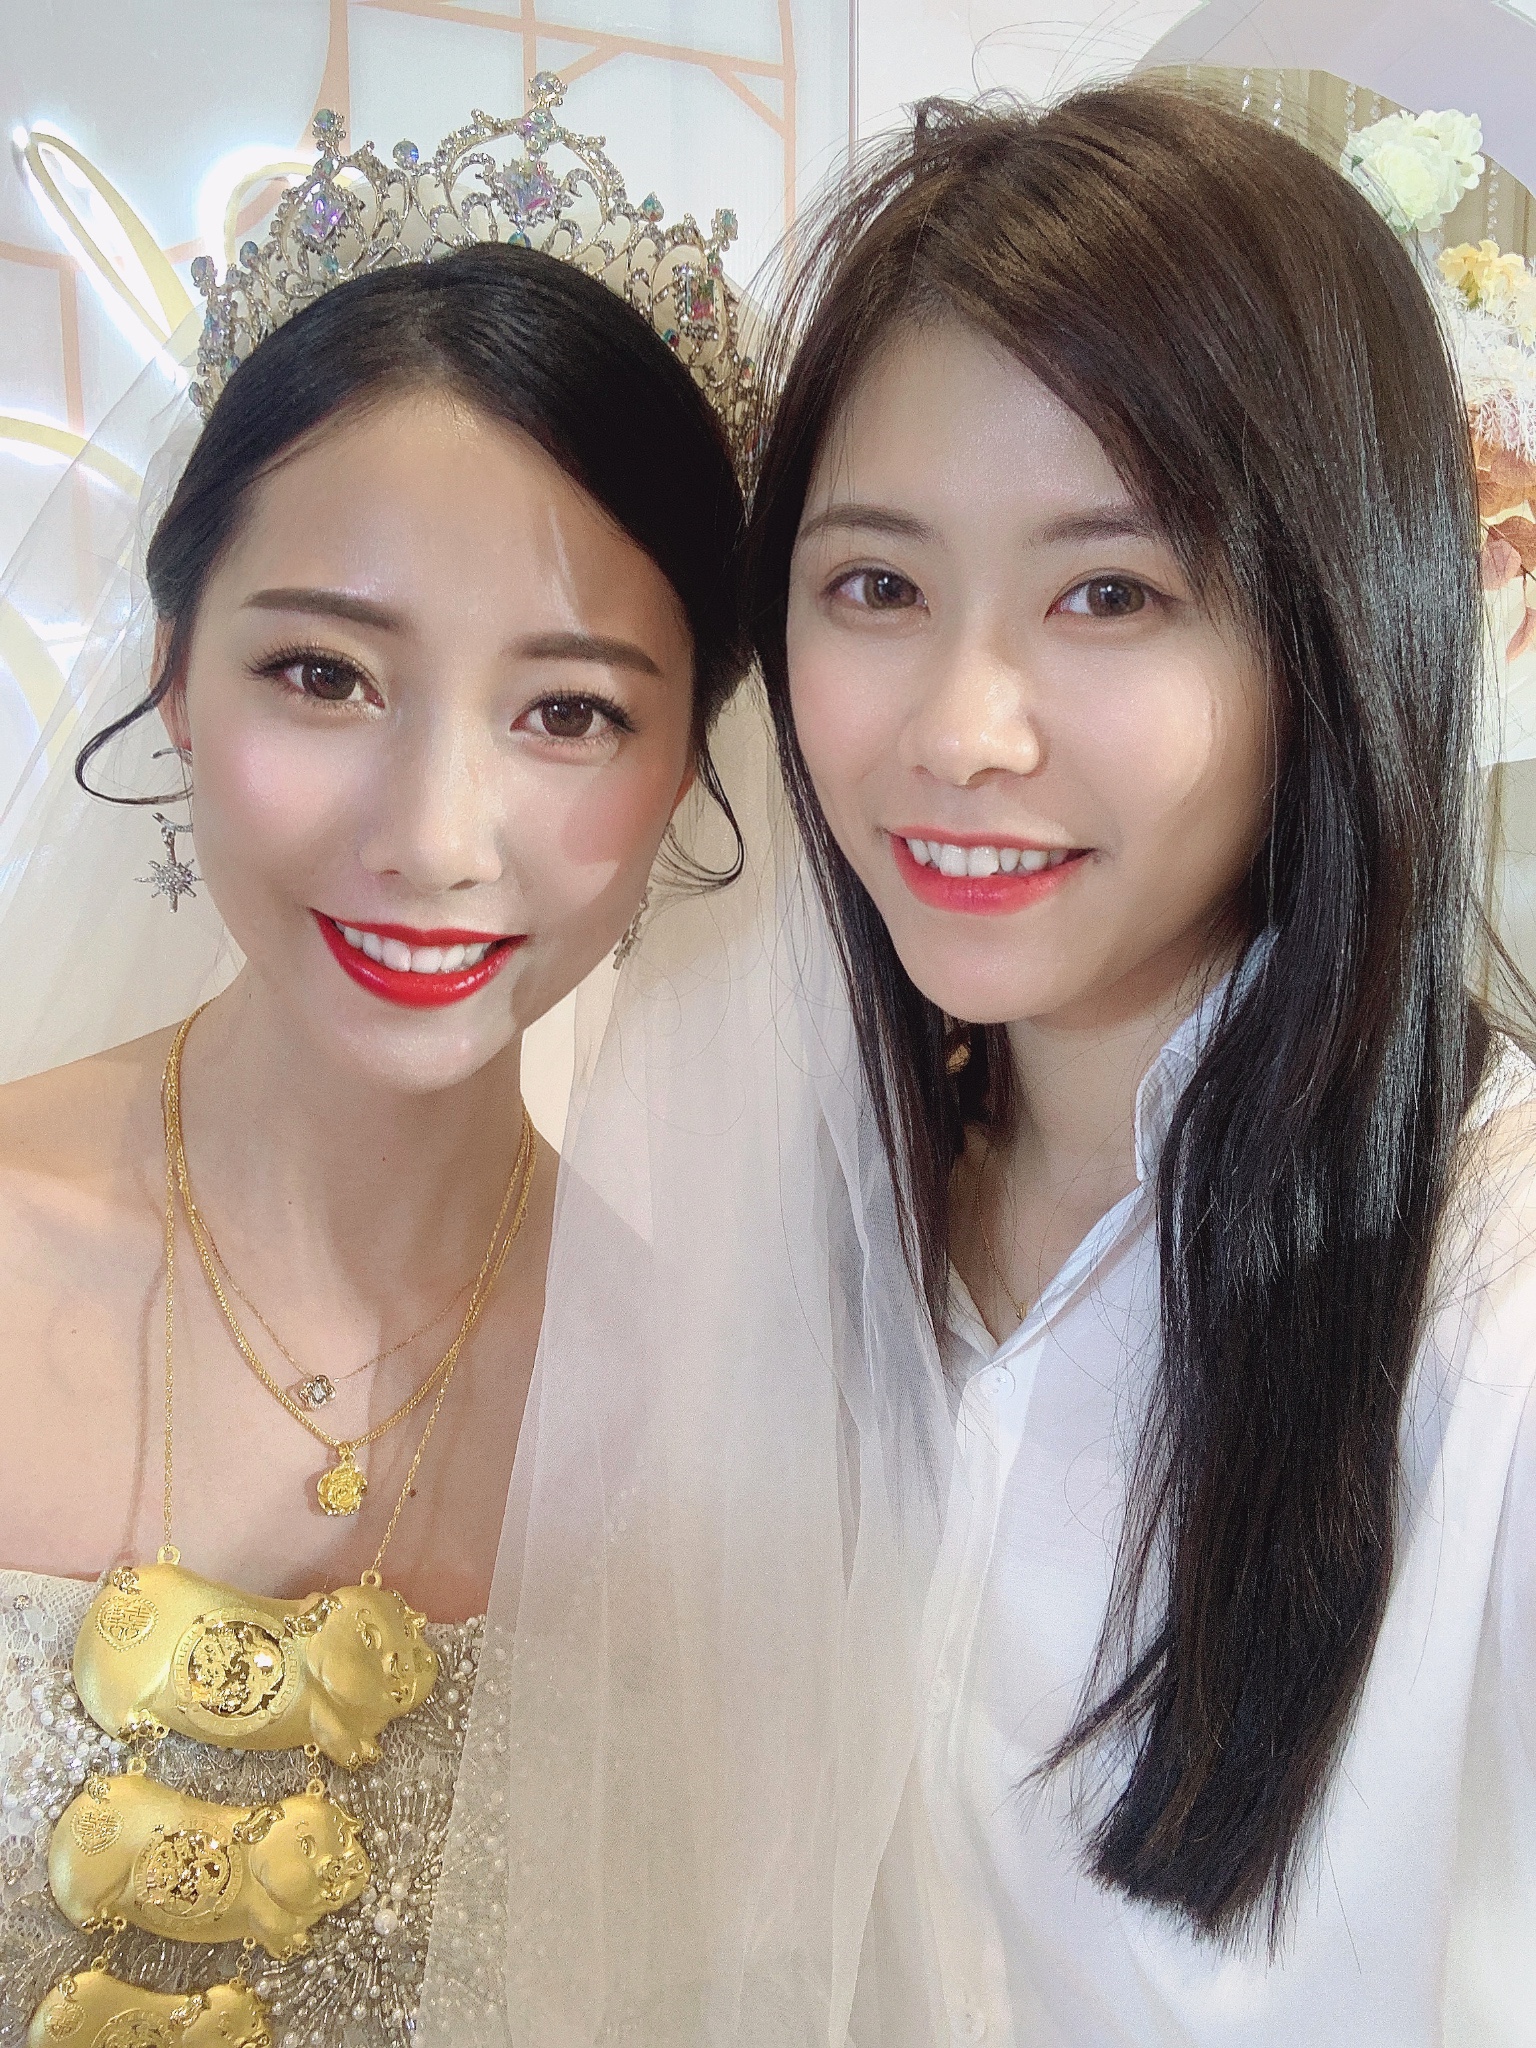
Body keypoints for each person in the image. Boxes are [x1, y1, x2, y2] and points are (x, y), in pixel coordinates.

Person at [747, 81, 1536, 2044]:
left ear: (1340, 626)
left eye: (1112, 592)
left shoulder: (1492, 1316)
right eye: (878, 586)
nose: (962, 728)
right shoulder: (818, 1213)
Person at [0, 86, 750, 2044]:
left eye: (570, 711)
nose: (431, 836)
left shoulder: (715, 1418)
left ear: (690, 758)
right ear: (174, 672)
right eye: (323, 674)